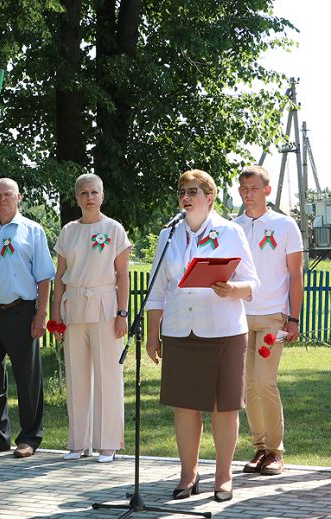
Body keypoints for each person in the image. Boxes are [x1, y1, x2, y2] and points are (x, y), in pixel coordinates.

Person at [145, 169, 259, 502]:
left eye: (193, 191)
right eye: (182, 190)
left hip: (223, 330)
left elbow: (252, 284)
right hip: (181, 329)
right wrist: (154, 336)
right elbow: (156, 290)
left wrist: (233, 288)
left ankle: (223, 478)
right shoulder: (168, 235)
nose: (186, 196)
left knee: (224, 408)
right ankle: (188, 474)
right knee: (185, 407)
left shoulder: (230, 231)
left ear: (210, 198)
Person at [0, 178, 55, 458]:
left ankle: (29, 438)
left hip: (21, 310)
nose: (2, 199)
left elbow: (44, 277)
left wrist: (41, 313)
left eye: (8, 194)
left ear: (18, 197)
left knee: (27, 378)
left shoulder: (33, 231)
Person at [51, 174, 131, 464]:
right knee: (76, 375)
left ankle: (108, 442)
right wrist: (55, 311)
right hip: (73, 307)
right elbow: (59, 276)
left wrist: (122, 313)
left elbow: (122, 275)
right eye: (84, 193)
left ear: (102, 196)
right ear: (77, 198)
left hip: (105, 307)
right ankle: (78, 441)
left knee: (108, 376)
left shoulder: (114, 229)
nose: (89, 198)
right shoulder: (68, 231)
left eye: (94, 192)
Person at [234, 165, 303, 476]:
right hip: (237, 316)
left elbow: (296, 274)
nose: (248, 195)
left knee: (265, 381)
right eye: (244, 189)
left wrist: (294, 318)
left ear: (267, 191)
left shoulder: (285, 225)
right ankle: (259, 449)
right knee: (247, 386)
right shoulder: (232, 227)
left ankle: (276, 451)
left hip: (273, 316)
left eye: (254, 189)